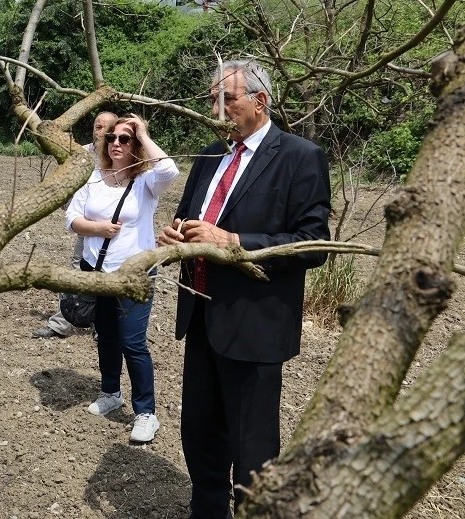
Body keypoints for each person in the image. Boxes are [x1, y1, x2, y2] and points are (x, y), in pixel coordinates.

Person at [157, 60, 331, 519]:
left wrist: (234, 241)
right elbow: (190, 216)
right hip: (201, 315)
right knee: (199, 433)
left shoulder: (299, 157)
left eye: (227, 99)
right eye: (211, 101)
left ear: (260, 101)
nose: (217, 110)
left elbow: (313, 244)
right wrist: (177, 235)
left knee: (252, 446)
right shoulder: (209, 154)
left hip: (255, 324)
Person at [66, 115, 179, 444]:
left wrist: (142, 131)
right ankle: (111, 392)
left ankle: (146, 413)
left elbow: (170, 170)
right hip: (96, 269)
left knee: (133, 342)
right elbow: (72, 217)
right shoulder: (93, 178)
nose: (116, 142)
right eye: (112, 137)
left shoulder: (146, 182)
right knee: (106, 335)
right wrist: (97, 228)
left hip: (134, 274)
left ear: (136, 145)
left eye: (125, 138)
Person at [34, 111, 118, 338]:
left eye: (104, 127)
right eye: (96, 125)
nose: (98, 130)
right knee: (77, 273)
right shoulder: (82, 153)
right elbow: (66, 179)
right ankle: (61, 324)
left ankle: (103, 327)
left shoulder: (121, 155)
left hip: (116, 231)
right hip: (87, 226)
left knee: (110, 277)